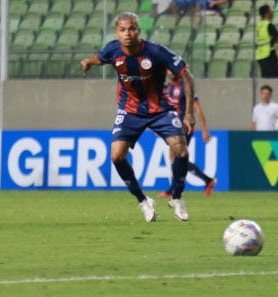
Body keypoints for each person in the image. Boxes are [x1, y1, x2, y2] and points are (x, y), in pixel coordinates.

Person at [78, 13, 198, 222]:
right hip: (130, 110)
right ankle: (143, 201)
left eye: (131, 29)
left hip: (160, 108)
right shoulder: (113, 49)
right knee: (116, 156)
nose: (127, 33)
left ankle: (177, 198)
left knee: (181, 149)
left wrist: (188, 113)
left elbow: (187, 76)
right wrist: (88, 61)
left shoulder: (156, 51)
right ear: (117, 32)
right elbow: (101, 58)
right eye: (122, 30)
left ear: (138, 30)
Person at [255, 4, 278, 78]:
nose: (272, 12)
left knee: (265, 78)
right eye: (270, 10)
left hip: (260, 54)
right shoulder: (268, 25)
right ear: (267, 13)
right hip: (269, 54)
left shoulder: (259, 25)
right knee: (274, 78)